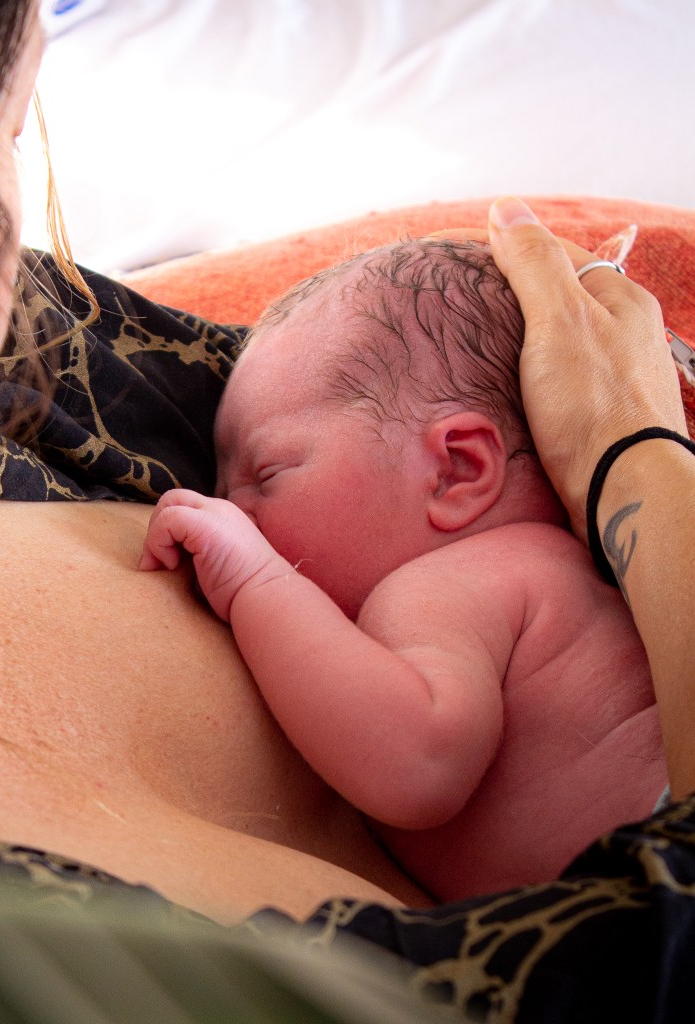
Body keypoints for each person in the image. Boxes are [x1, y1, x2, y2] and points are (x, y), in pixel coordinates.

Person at [0, 0, 695, 1015]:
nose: (221, 494)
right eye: (10, 133)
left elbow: (359, 384)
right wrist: (641, 463)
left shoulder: (25, 357)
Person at [141, 237, 666, 901]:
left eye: (267, 473)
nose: (231, 511)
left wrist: (255, 582)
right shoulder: (579, 572)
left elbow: (418, 766)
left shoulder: (452, 584)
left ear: (455, 470)